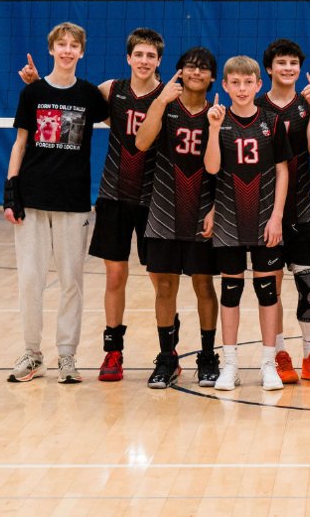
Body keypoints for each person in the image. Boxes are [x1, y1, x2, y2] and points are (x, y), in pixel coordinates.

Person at [18, 28, 167, 382]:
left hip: (155, 199)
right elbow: (66, 102)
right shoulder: (109, 90)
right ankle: (113, 352)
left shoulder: (167, 96)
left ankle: (168, 353)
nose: (144, 61)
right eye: (138, 55)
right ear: (128, 58)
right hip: (114, 195)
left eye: (151, 56)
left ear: (159, 60)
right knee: (115, 276)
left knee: (160, 278)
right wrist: (39, 82)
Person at [4, 22, 110, 384]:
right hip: (32, 199)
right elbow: (20, 144)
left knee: (71, 282)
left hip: (74, 202)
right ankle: (33, 354)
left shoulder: (88, 95)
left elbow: (122, 115)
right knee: (30, 279)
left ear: (82, 52)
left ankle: (67, 356)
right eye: (61, 45)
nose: (67, 50)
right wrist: (10, 191)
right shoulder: (31, 93)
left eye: (73, 45)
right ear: (51, 50)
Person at [205, 56, 292, 391]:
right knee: (231, 291)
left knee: (267, 290)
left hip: (265, 219)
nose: (241, 89)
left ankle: (268, 363)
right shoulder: (218, 120)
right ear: (225, 86)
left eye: (248, 83)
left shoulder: (272, 122)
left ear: (259, 85)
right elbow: (212, 169)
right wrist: (213, 129)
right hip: (229, 220)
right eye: (235, 83)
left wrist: (277, 216)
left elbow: (283, 171)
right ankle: (230, 365)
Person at [135, 47, 220, 389]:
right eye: (190, 67)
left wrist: (216, 208)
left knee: (203, 284)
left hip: (202, 213)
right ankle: (167, 358)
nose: (196, 72)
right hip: (163, 211)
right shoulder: (166, 107)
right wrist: (158, 102)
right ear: (179, 72)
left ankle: (208, 356)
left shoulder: (217, 114)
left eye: (203, 68)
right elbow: (141, 143)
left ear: (212, 77)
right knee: (165, 286)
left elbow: (222, 170)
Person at [255, 39, 310, 384]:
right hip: (264, 214)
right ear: (269, 68)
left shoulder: (306, 105)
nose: (288, 69)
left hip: (302, 211)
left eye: (293, 63)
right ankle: (279, 355)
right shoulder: (255, 107)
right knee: (269, 291)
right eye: (281, 63)